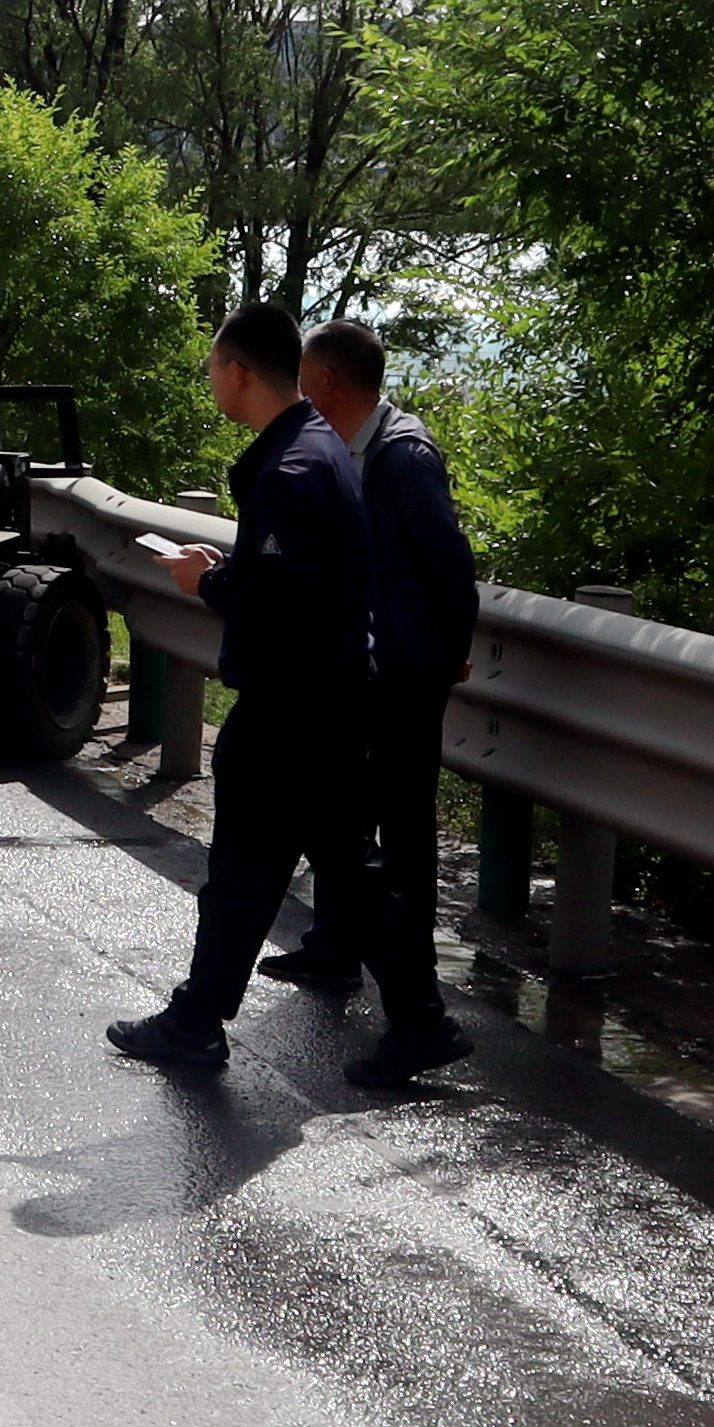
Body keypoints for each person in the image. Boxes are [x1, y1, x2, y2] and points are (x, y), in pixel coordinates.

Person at [103, 300, 469, 1087]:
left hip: (293, 706)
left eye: (211, 368)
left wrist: (210, 582)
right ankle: (409, 1021)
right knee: (315, 868)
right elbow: (298, 576)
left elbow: (285, 595)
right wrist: (233, 573)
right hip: (325, 698)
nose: (211, 381)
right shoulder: (317, 444)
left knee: (277, 869)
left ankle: (206, 1022)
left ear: (236, 372)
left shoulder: (293, 468)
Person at [263, 316, 478, 996]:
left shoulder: (403, 456)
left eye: (301, 375)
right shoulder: (342, 447)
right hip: (358, 665)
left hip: (406, 671)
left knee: (403, 826)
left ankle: (410, 991)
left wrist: (446, 656)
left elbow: (449, 567)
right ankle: (334, 948)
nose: (295, 388)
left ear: (326, 379)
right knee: (341, 813)